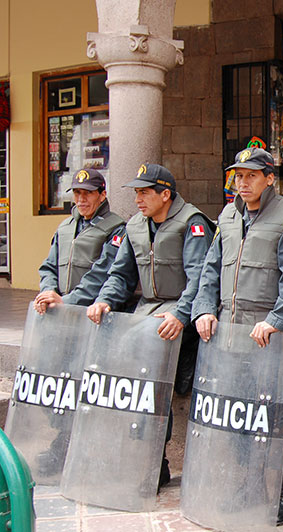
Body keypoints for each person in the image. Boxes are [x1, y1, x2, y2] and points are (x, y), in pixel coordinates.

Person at [192, 147, 283, 526]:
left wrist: (278, 320)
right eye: (238, 175)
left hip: (269, 337)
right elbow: (210, 270)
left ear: (269, 178)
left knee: (276, 415)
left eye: (250, 175)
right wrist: (203, 309)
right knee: (237, 413)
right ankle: (248, 486)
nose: (242, 182)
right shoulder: (228, 215)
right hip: (229, 333)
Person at [86, 163, 214, 487]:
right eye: (136, 193)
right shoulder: (135, 226)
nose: (138, 199)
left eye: (144, 192)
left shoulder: (192, 223)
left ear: (165, 194)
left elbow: (200, 278)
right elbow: (121, 275)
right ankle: (126, 451)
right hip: (147, 313)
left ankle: (156, 461)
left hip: (178, 315)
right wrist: (104, 300)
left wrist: (181, 315)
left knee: (154, 382)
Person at [35, 169, 125, 313]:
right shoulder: (65, 227)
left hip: (92, 311)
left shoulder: (115, 228)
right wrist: (48, 293)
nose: (81, 199)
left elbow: (102, 273)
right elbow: (49, 267)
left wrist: (68, 301)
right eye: (77, 192)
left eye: (88, 193)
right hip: (59, 310)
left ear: (102, 195)